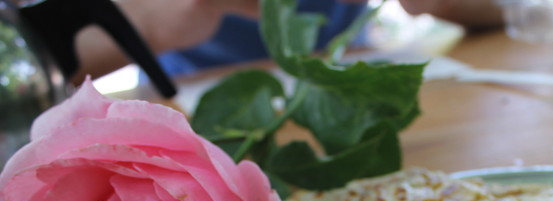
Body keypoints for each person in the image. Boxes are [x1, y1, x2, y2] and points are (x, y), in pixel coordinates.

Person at [73, 0, 503, 83]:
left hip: (353, 96)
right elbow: (25, 82)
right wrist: (141, 27)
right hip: (195, 120)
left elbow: (515, 12)